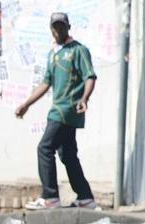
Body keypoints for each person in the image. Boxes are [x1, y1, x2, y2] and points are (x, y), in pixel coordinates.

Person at [15, 12, 98, 210]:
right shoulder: (53, 54)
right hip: (58, 106)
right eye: (55, 27)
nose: (58, 30)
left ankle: (50, 196)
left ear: (69, 26)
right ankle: (85, 197)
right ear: (51, 30)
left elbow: (90, 76)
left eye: (62, 26)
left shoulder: (78, 50)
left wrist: (84, 98)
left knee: (45, 148)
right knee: (67, 154)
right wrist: (26, 104)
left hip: (68, 108)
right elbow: (46, 82)